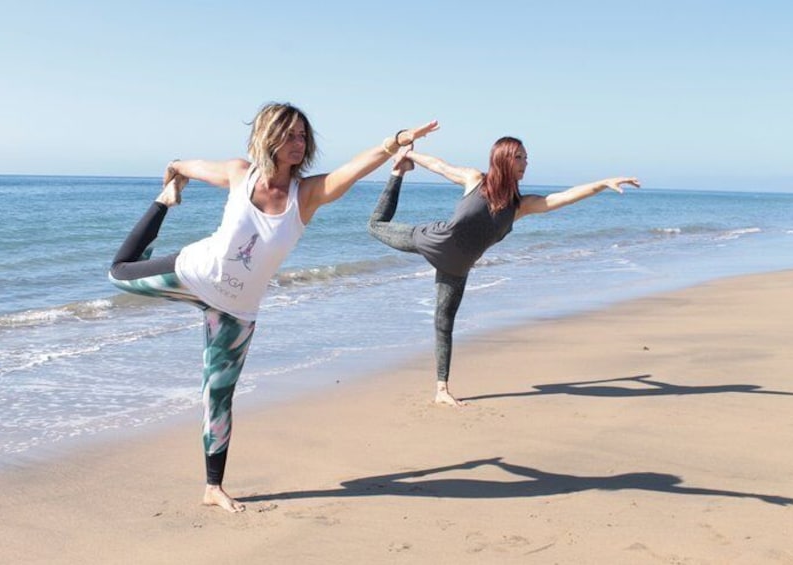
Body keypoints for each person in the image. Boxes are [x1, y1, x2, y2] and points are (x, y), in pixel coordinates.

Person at [109, 102, 438, 512]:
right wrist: (174, 170)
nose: (298, 143)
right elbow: (195, 166)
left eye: (303, 136)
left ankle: (213, 487)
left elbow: (353, 168)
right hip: (194, 273)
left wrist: (393, 143)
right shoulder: (239, 173)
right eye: (289, 135)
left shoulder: (307, 195)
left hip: (238, 311)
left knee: (218, 395)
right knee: (119, 271)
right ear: (269, 136)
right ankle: (162, 204)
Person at [368, 137, 639, 407]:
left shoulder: (520, 206)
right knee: (375, 226)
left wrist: (602, 183)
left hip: (457, 268)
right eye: (519, 157)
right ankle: (396, 173)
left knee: (444, 322)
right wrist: (410, 157)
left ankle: (442, 389)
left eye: (526, 158)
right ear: (502, 158)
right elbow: (440, 166)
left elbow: (562, 197)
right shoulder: (474, 179)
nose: (525, 163)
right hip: (433, 240)